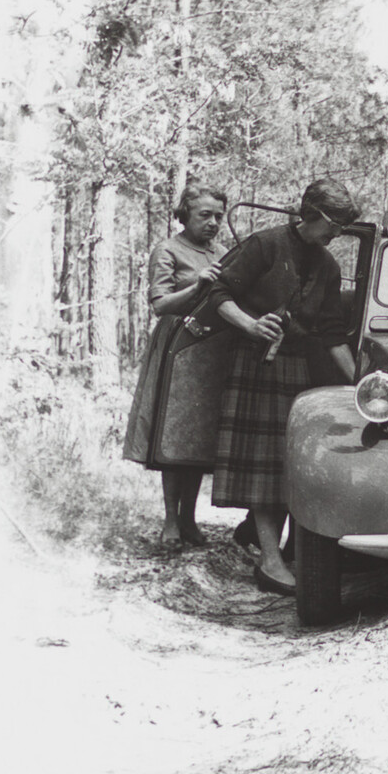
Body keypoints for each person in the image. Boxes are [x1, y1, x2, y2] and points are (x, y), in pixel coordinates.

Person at [206, 177, 359, 594]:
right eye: (334, 224)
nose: (336, 234)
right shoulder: (265, 245)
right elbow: (219, 294)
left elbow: (330, 334)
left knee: (291, 464)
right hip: (254, 363)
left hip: (294, 368)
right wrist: (252, 325)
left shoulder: (327, 266)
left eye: (343, 228)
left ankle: (281, 549)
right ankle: (271, 562)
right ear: (310, 213)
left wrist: (361, 386)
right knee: (264, 465)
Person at [122, 179, 230, 552]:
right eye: (205, 215)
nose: (213, 222)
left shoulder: (222, 253)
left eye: (218, 215)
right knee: (174, 435)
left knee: (199, 436)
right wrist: (197, 286)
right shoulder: (167, 249)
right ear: (185, 215)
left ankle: (189, 518)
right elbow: (160, 304)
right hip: (177, 349)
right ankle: (170, 519)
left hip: (211, 351)